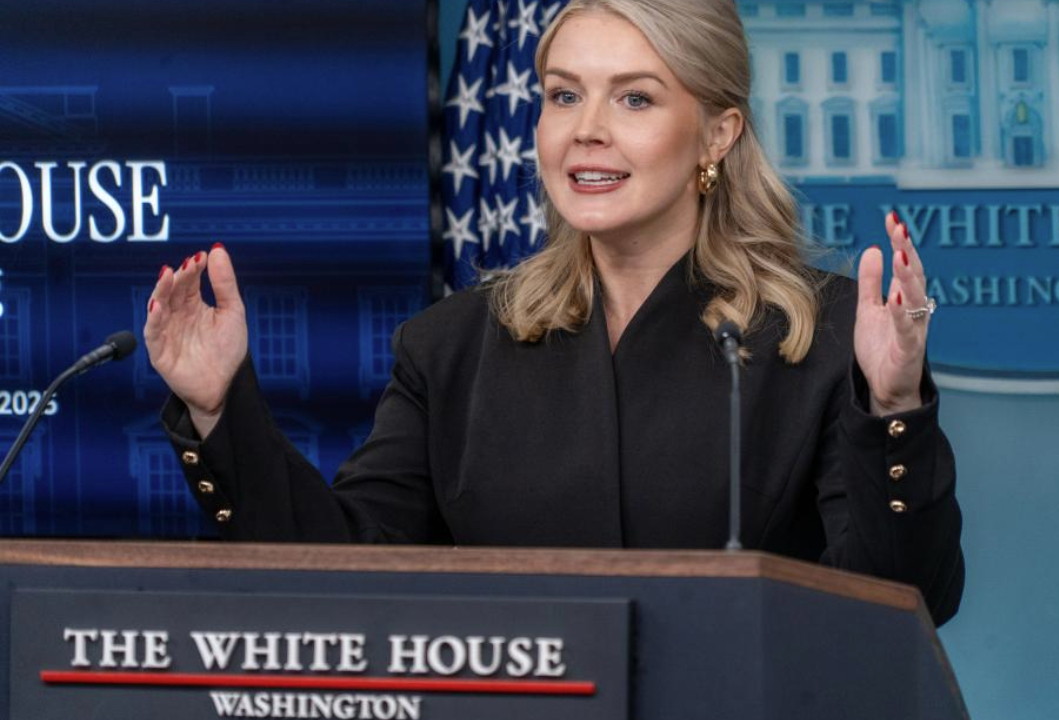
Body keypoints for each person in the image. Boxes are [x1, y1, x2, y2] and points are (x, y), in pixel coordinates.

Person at [145, 0, 964, 625]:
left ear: (717, 134)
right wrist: (219, 408)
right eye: (563, 96)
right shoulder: (453, 346)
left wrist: (892, 408)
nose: (586, 132)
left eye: (635, 100)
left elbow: (902, 600)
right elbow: (353, 576)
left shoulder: (818, 340)